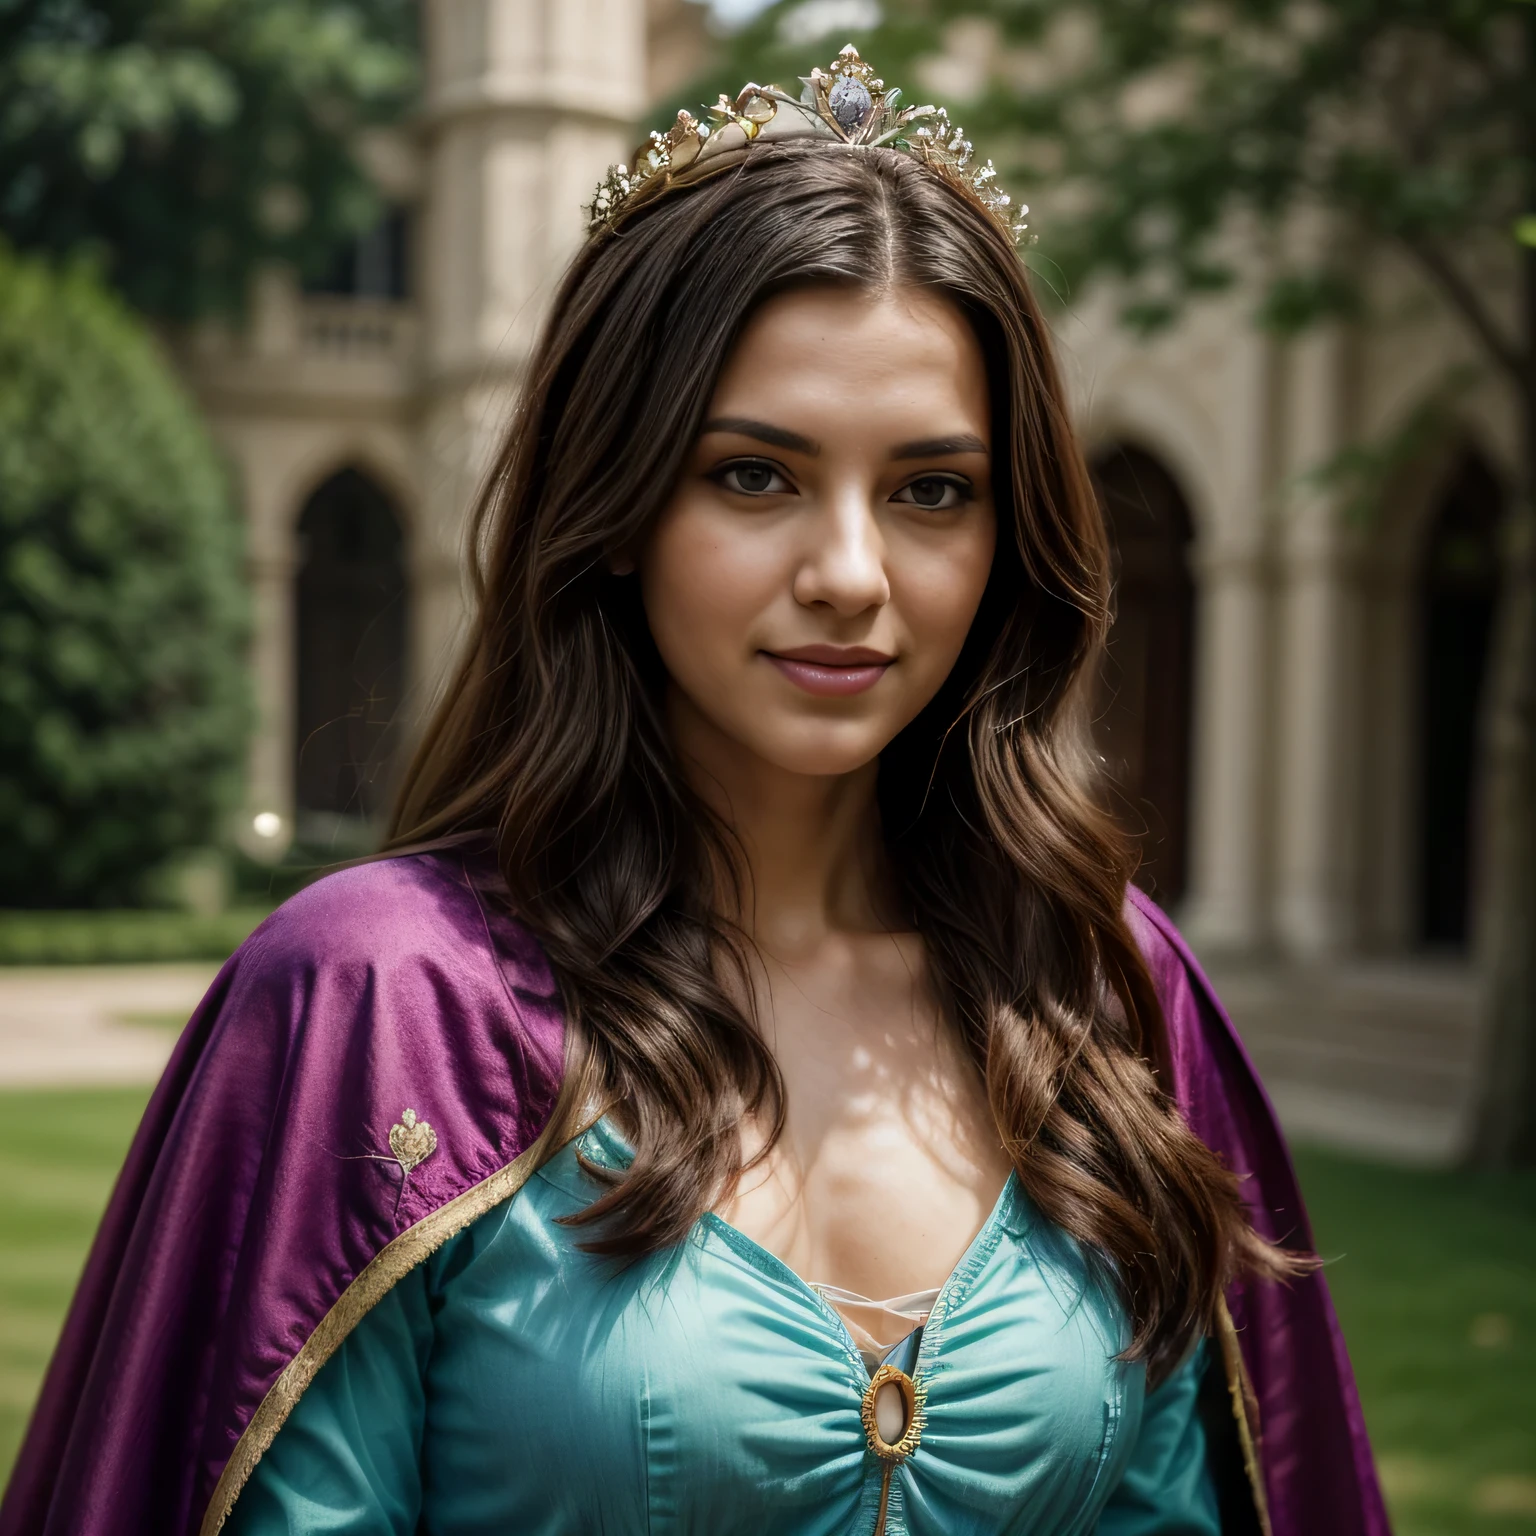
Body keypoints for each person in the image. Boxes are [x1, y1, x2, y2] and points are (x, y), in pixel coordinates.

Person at [1, 47, 1389, 1536]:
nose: (851, 574)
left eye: (933, 491)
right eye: (754, 476)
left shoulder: (1114, 995)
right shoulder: (382, 1007)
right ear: (614, 510)